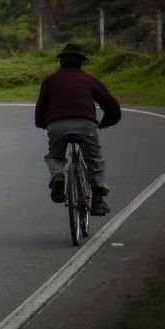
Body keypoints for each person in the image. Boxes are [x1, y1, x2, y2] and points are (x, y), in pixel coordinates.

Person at [34, 43, 121, 215]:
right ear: (81, 63)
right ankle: (97, 200)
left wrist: (45, 124)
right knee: (95, 159)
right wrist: (104, 122)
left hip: (57, 124)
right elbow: (113, 108)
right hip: (85, 123)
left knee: (55, 156)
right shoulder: (90, 80)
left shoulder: (50, 80)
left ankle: (58, 175)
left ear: (61, 62)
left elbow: (40, 110)